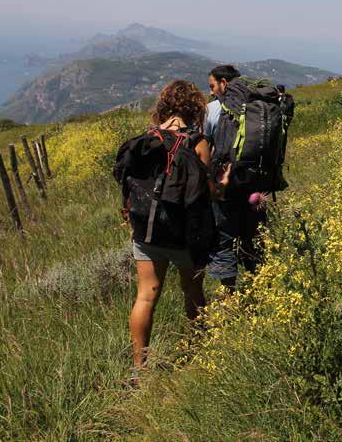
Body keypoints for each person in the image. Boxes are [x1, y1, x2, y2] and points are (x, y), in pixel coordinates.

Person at [116, 80, 229, 373]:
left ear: (163, 105)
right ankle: (199, 355)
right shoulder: (197, 141)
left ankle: (140, 368)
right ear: (195, 107)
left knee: (145, 296)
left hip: (147, 231)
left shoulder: (148, 137)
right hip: (185, 234)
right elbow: (210, 192)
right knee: (192, 293)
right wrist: (223, 184)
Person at [205, 65, 270, 291]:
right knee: (255, 236)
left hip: (227, 188)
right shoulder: (260, 107)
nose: (212, 91)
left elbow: (205, 149)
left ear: (224, 83)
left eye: (212, 85)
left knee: (224, 239)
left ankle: (230, 296)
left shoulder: (213, 110)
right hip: (257, 188)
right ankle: (262, 288)